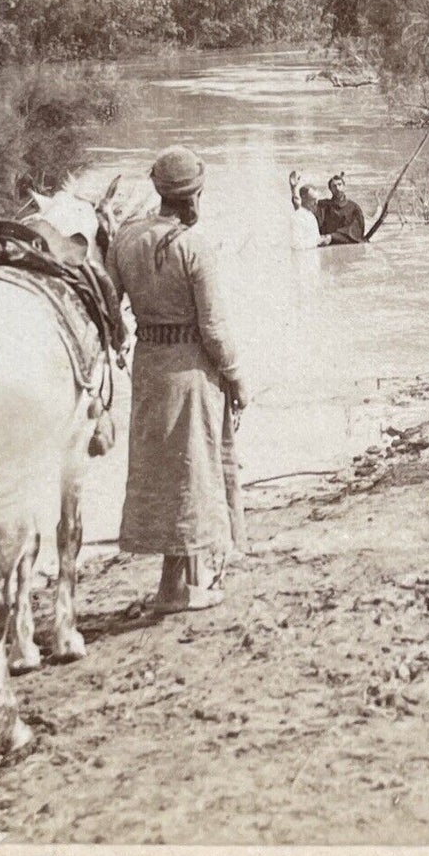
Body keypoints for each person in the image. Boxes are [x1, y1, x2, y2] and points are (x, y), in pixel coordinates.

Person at [106, 145, 247, 612]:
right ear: (194, 196)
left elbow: (109, 309)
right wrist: (236, 378)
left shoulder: (126, 238)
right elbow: (215, 329)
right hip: (191, 369)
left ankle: (185, 579)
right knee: (192, 470)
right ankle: (175, 589)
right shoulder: (194, 247)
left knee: (163, 470)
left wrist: (132, 340)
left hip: (149, 365)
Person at [313, 171, 366, 245]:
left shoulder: (354, 207)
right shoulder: (323, 205)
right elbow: (307, 212)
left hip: (347, 243)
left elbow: (356, 232)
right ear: (330, 189)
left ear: (344, 186)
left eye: (339, 185)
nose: (337, 188)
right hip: (326, 243)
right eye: (334, 186)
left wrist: (333, 237)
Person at [287, 170, 325, 250]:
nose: (316, 203)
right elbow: (295, 245)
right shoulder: (297, 217)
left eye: (316, 199)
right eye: (313, 200)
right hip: (303, 258)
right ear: (303, 199)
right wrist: (317, 241)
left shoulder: (310, 215)